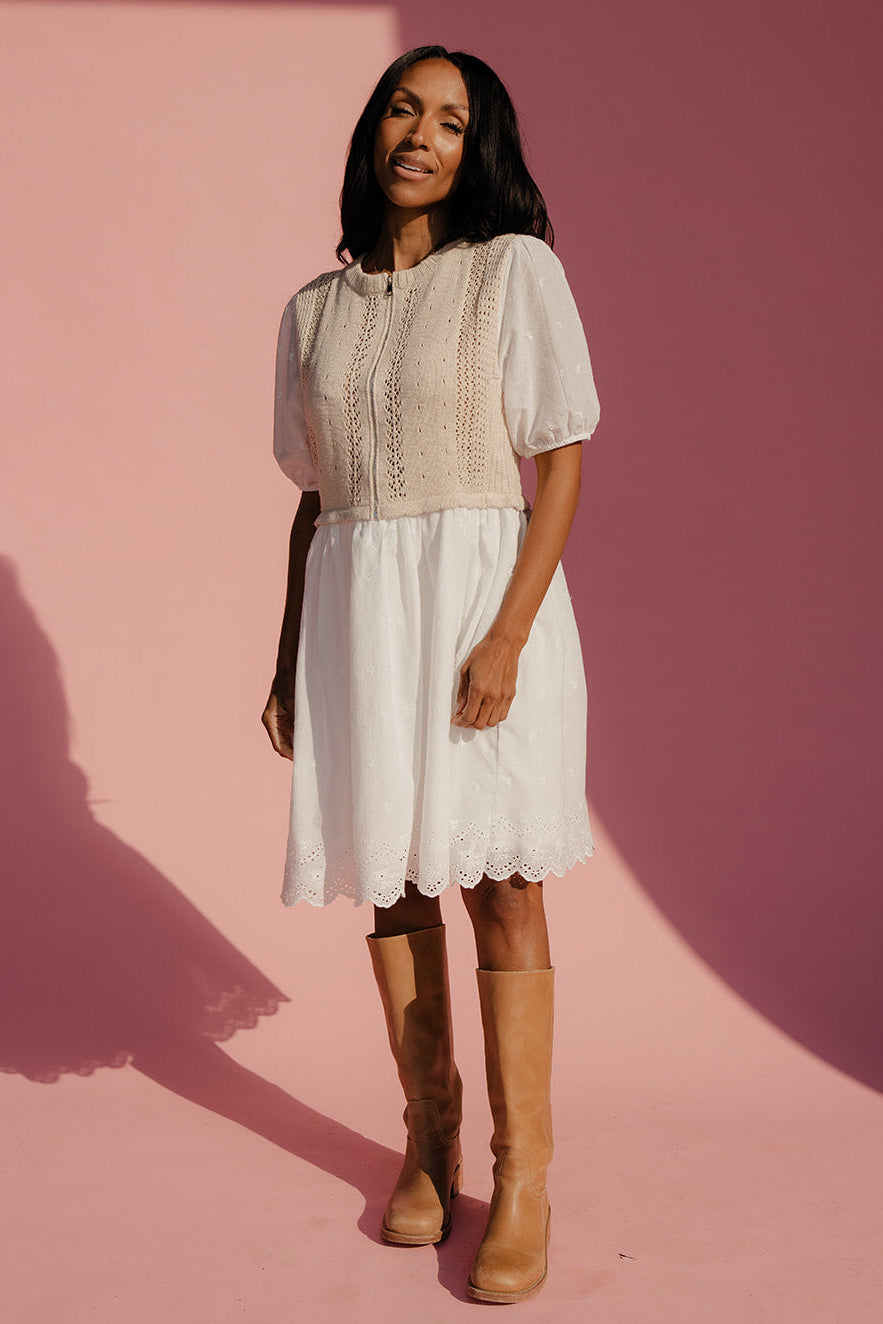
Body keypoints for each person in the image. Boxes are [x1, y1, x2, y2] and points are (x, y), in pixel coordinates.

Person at [262, 44, 601, 1305]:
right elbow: (315, 505)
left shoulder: (514, 272)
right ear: (372, 132)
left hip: (477, 606)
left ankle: (522, 1176)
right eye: (404, 108)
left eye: (452, 121)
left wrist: (507, 634)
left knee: (503, 887)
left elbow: (558, 462)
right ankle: (431, 1138)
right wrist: (290, 657)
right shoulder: (312, 311)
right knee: (395, 887)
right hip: (357, 619)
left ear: (479, 149)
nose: (422, 133)